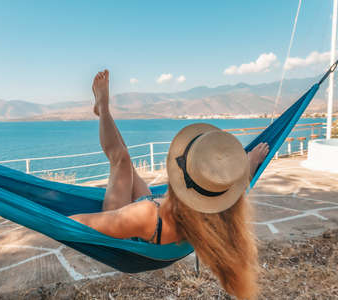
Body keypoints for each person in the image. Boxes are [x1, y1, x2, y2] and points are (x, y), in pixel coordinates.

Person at [70, 70, 269, 299]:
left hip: (131, 227)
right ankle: (103, 109)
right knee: (126, 162)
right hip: (161, 216)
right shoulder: (216, 212)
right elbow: (235, 189)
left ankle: (103, 109)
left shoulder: (145, 214)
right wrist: (250, 163)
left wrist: (49, 220)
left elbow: (77, 224)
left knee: (121, 160)